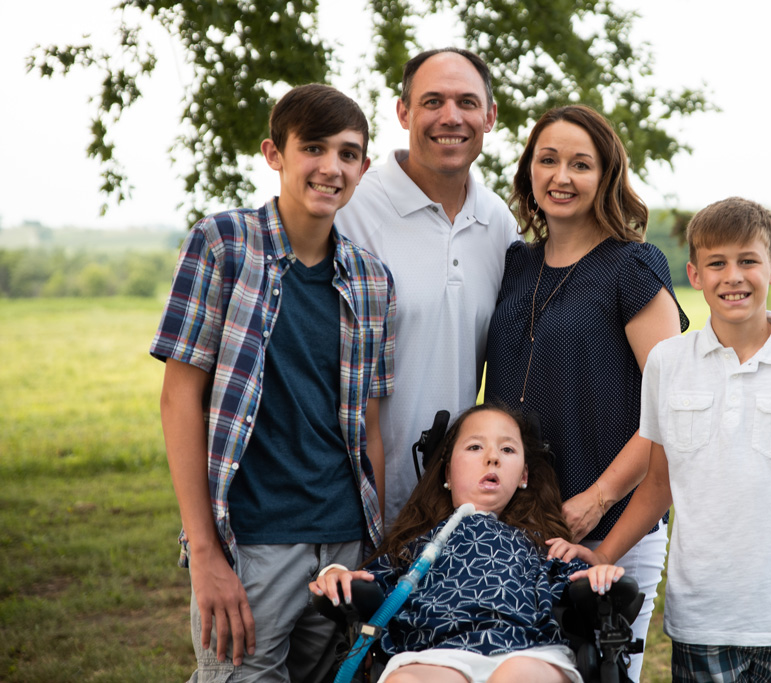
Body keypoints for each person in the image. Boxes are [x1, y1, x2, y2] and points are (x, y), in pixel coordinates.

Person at [551, 197, 771, 682]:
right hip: (702, 617)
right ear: (695, 275)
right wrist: (603, 554)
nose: (733, 276)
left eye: (748, 261)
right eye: (716, 263)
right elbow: (658, 485)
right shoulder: (667, 363)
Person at [151, 84, 396, 682]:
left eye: (348, 152)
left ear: (364, 166)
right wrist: (205, 553)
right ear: (274, 153)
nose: (330, 167)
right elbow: (180, 399)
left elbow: (369, 431)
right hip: (253, 544)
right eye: (313, 147)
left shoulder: (372, 281)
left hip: (343, 546)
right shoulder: (223, 245)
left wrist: (372, 555)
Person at [482, 104, 686, 680]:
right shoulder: (515, 264)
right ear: (528, 173)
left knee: (602, 674)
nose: (561, 177)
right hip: (518, 525)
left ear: (607, 176)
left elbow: (672, 405)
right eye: (547, 160)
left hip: (612, 524)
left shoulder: (633, 266)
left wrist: (597, 500)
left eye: (580, 164)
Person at [335, 47, 521, 526]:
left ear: (490, 116)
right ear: (403, 112)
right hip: (343, 496)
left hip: (451, 506)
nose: (451, 117)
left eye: (466, 102)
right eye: (433, 101)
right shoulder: (351, 208)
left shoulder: (498, 223)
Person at [311, 404, 626, 683]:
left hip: (527, 650)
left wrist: (597, 575)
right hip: (433, 653)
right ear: (447, 471)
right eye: (475, 447)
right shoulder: (414, 547)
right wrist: (337, 572)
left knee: (515, 676)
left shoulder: (541, 545)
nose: (492, 458)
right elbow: (370, 580)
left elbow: (582, 582)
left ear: (524, 476)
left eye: (508, 450)